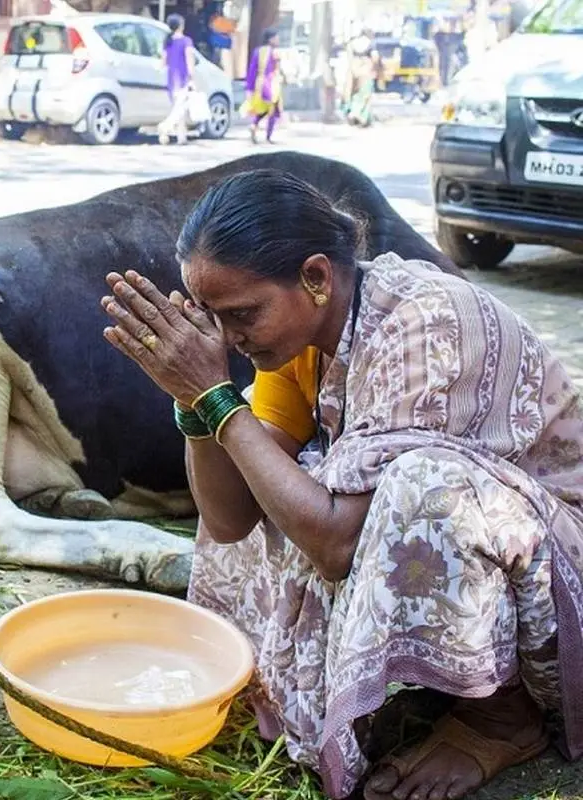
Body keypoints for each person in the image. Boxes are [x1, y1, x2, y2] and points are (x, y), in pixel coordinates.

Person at [99, 169, 583, 800]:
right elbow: (229, 522)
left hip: (564, 565)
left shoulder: (427, 324)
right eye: (213, 320)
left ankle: (503, 717)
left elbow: (335, 547)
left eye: (242, 314)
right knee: (257, 459)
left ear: (316, 278)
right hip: (499, 561)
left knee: (422, 486)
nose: (228, 339)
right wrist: (194, 404)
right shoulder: (301, 340)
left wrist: (217, 399)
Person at [156, 14, 195, 146]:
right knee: (180, 110)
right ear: (180, 26)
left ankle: (181, 137)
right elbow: (190, 61)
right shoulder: (186, 41)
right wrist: (191, 77)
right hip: (183, 79)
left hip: (171, 80)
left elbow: (163, 62)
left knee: (179, 109)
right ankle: (164, 128)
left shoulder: (168, 42)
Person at [241, 28, 283, 144]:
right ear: (270, 39)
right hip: (271, 83)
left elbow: (252, 70)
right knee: (272, 110)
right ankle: (268, 136)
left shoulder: (257, 51)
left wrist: (249, 87)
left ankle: (254, 125)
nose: (278, 39)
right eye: (276, 37)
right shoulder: (275, 52)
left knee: (263, 108)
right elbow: (277, 70)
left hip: (259, 83)